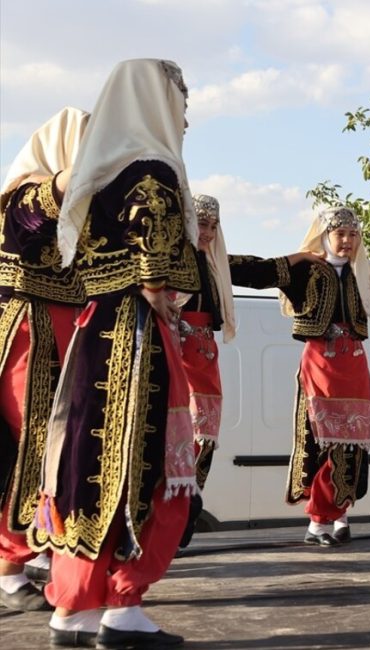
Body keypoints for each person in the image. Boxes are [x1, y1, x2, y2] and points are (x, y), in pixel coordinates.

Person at [29, 59, 198, 648]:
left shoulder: (96, 170)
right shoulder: (152, 169)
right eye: (181, 99)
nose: (186, 113)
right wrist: (168, 302)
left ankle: (72, 609)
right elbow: (157, 273)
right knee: (146, 466)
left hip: (93, 328)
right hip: (136, 334)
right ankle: (123, 606)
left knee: (83, 464)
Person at [228, 206, 370, 547]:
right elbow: (257, 272)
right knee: (324, 442)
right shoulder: (305, 272)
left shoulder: (366, 274)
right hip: (320, 367)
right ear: (325, 236)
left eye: (353, 234)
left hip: (355, 366)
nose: (347, 241)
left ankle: (339, 514)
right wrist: (297, 256)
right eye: (340, 234)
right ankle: (318, 522)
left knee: (353, 446)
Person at [0, 107, 89, 613]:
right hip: (30, 330)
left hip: (67, 329)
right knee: (35, 443)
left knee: (60, 446)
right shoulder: (27, 194)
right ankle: (10, 568)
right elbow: (54, 196)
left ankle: (36, 554)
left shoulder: (85, 209)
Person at [174, 194, 235, 548]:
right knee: (178, 436)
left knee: (203, 439)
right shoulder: (172, 260)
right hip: (178, 355)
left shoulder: (214, 266)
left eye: (212, 226)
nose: (207, 232)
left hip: (204, 358)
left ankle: (185, 516)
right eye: (201, 224)